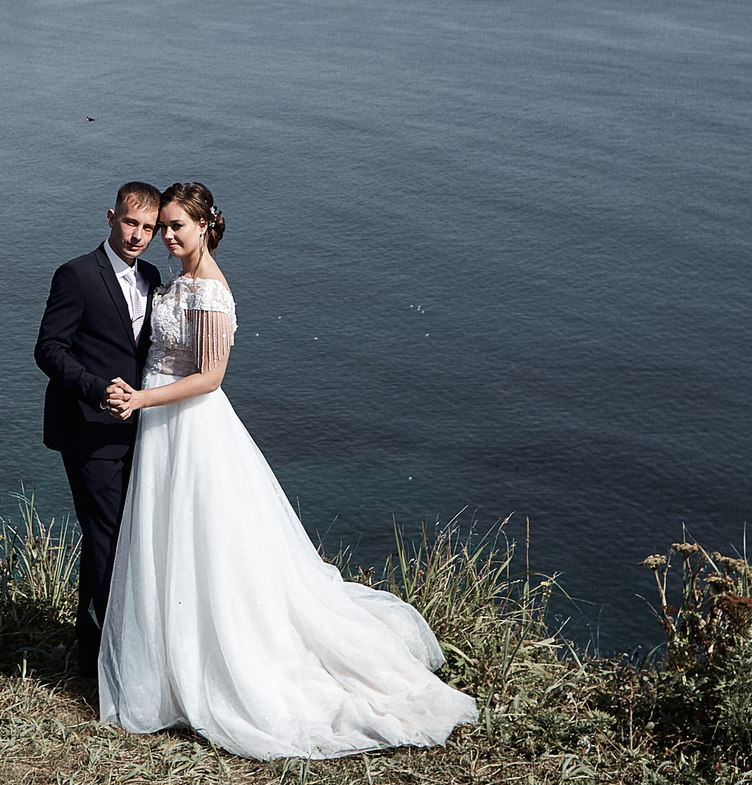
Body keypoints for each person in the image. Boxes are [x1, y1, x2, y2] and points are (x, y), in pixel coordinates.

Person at [98, 182, 477, 760]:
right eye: (163, 226)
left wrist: (143, 401)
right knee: (170, 541)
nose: (165, 237)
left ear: (205, 227)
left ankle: (210, 665)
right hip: (164, 424)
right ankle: (171, 661)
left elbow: (210, 377)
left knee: (201, 542)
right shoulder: (178, 283)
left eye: (177, 226)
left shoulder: (211, 295)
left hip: (189, 424)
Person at [34, 180, 166, 673]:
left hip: (139, 426)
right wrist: (96, 388)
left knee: (110, 534)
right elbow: (48, 349)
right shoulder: (76, 274)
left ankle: (91, 643)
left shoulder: (152, 276)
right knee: (109, 533)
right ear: (110, 217)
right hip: (88, 428)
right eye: (130, 223)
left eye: (147, 228)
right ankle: (120, 659)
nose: (137, 236)